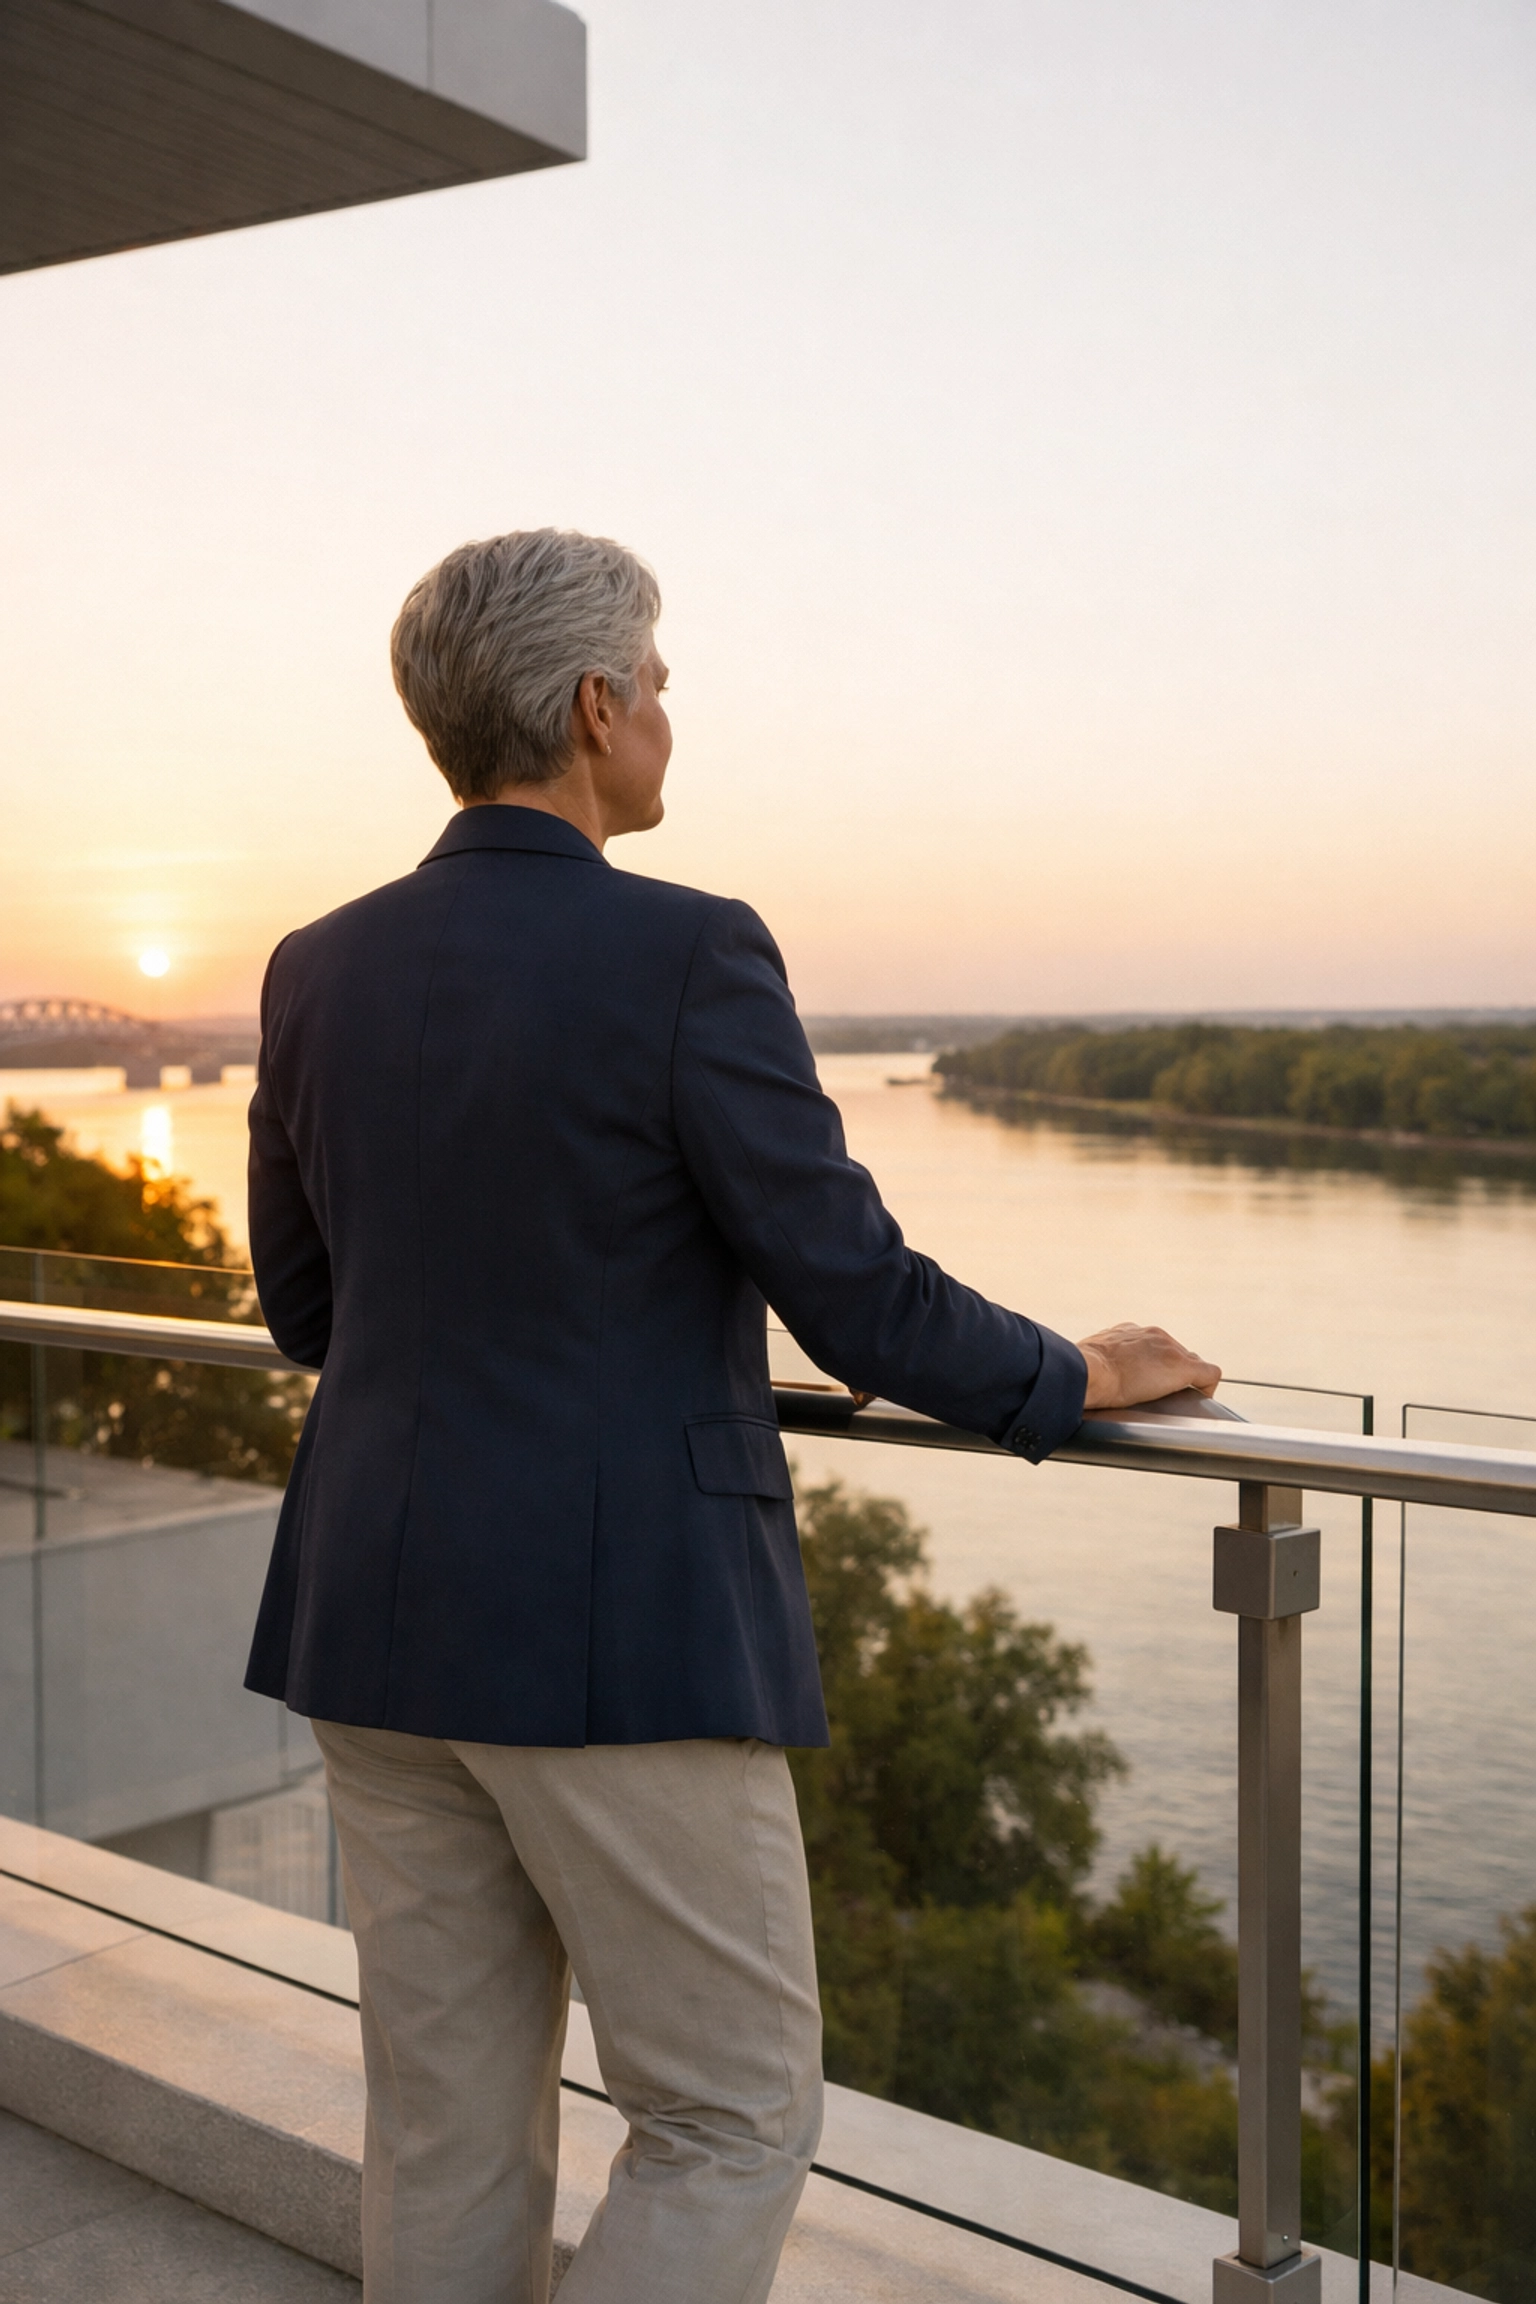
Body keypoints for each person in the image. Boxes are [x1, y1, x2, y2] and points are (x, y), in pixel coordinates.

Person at [245, 528, 1220, 2304]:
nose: (676, 720)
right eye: (665, 683)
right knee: (732, 2114)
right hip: (619, 1641)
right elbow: (850, 1287)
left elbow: (311, 1312)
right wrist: (1070, 1375)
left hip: (373, 1620)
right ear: (597, 708)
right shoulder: (689, 952)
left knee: (446, 2124)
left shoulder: (318, 964)